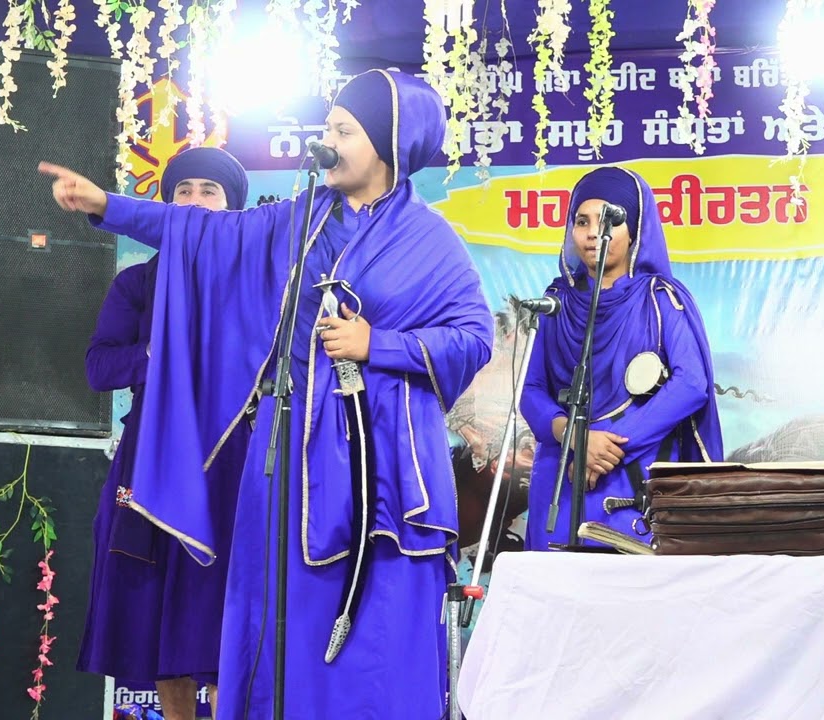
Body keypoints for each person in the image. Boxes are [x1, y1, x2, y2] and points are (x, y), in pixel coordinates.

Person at [41, 69, 493, 718]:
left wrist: (377, 345)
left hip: (385, 475)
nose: (327, 140)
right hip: (293, 466)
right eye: (328, 126)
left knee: (376, 646)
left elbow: (472, 339)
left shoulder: (431, 242)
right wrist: (108, 205)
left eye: (344, 129)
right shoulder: (303, 218)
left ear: (389, 144)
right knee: (285, 636)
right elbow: (206, 234)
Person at [77, 147, 250, 720]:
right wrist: (156, 355)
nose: (196, 203)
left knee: (226, 609)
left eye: (210, 192)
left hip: (234, 464)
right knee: (155, 608)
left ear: (234, 209)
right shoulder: (138, 285)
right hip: (150, 461)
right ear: (166, 203)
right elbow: (100, 368)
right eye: (184, 191)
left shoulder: (258, 286)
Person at [519, 166, 723, 550]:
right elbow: (531, 391)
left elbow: (691, 385)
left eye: (610, 219)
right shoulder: (555, 302)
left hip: (632, 470)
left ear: (636, 231)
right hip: (564, 469)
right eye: (582, 221)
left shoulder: (659, 299)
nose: (595, 232)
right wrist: (576, 438)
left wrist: (607, 449)